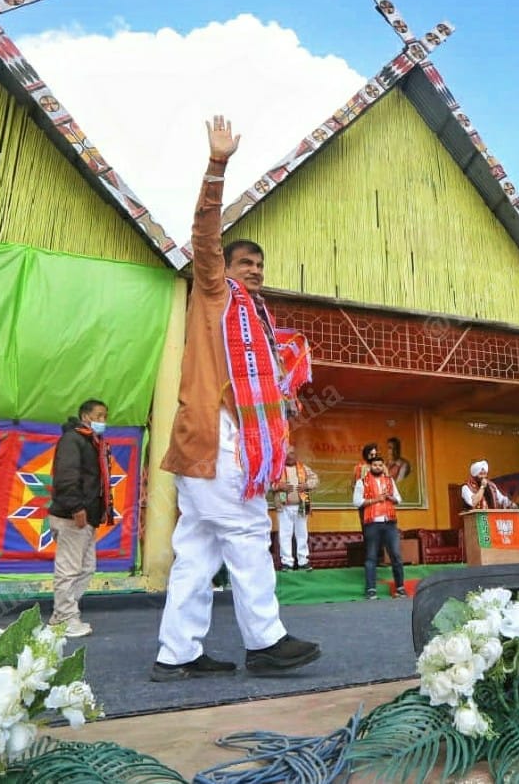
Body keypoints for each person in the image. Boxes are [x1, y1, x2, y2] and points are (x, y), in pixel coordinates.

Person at [153, 116, 320, 681]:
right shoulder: (213, 293)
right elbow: (204, 232)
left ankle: (178, 654)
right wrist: (218, 164)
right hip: (211, 438)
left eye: (259, 266)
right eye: (245, 263)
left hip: (220, 444)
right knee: (248, 532)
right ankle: (266, 641)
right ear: (224, 267)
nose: (254, 271)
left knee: (196, 552)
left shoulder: (259, 322)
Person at [48, 398, 116, 638]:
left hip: (87, 518)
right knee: (69, 569)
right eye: (99, 416)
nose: (103, 421)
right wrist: (77, 508)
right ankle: (65, 618)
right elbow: (66, 477)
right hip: (71, 516)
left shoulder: (94, 443)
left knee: (86, 568)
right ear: (85, 416)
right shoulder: (73, 440)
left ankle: (63, 614)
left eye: (105, 416)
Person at [353, 456, 406, 600]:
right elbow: (356, 502)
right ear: (370, 466)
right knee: (371, 557)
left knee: (396, 555)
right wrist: (375, 500)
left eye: (380, 465)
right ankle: (371, 589)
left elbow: (399, 499)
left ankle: (400, 588)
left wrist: (390, 497)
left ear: (383, 466)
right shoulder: (361, 482)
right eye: (375, 465)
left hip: (389, 523)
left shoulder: (390, 481)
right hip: (372, 523)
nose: (378, 467)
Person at [272, 445, 318, 571]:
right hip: (284, 507)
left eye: (291, 453)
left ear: (295, 455)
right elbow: (268, 483)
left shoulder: (303, 468)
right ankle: (287, 562)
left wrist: (306, 485)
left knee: (302, 534)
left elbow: (315, 480)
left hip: (301, 505)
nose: (288, 456)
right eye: (285, 453)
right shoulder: (277, 469)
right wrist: (279, 486)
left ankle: (303, 561)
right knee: (285, 535)